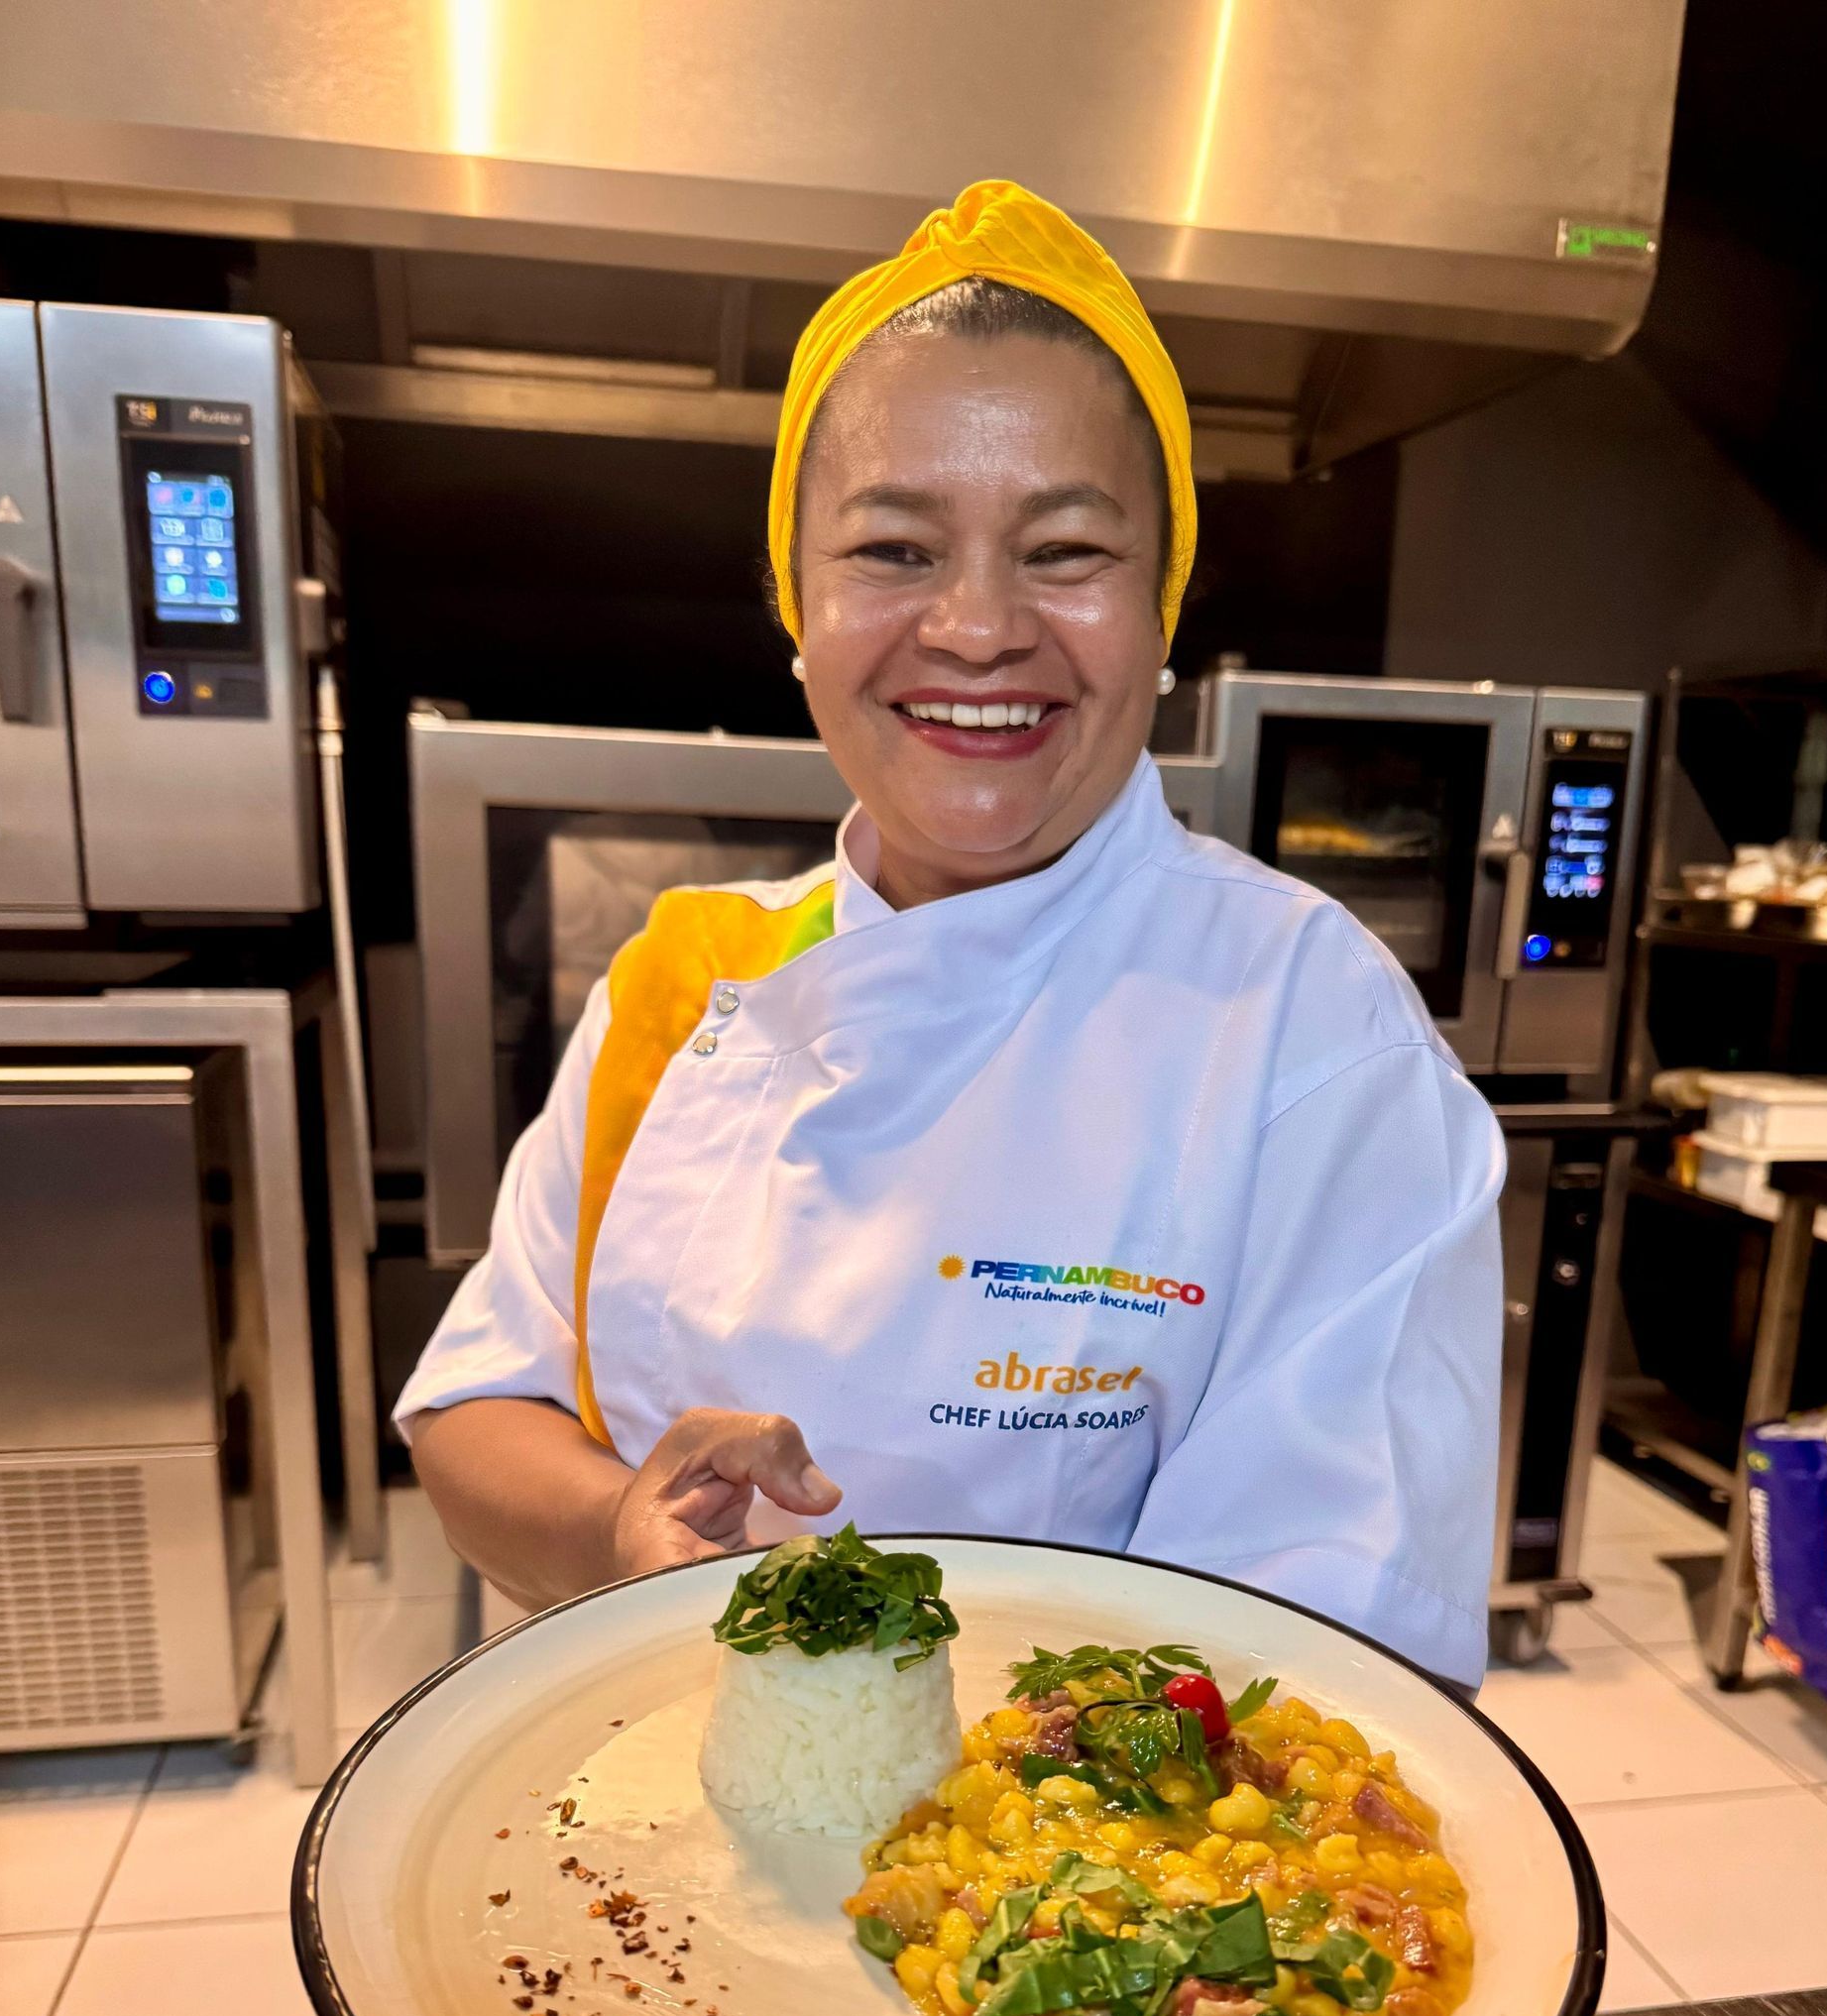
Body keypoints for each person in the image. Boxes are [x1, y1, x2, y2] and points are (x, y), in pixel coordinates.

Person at [398, 179, 1505, 1687]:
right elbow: (476, 1409)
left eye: (1066, 552)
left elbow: (1339, 1657)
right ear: (796, 604)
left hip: (1100, 1897)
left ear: (1163, 604)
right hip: (663, 1830)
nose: (978, 628)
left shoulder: (1310, 1033)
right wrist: (621, 1538)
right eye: (895, 550)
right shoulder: (690, 976)